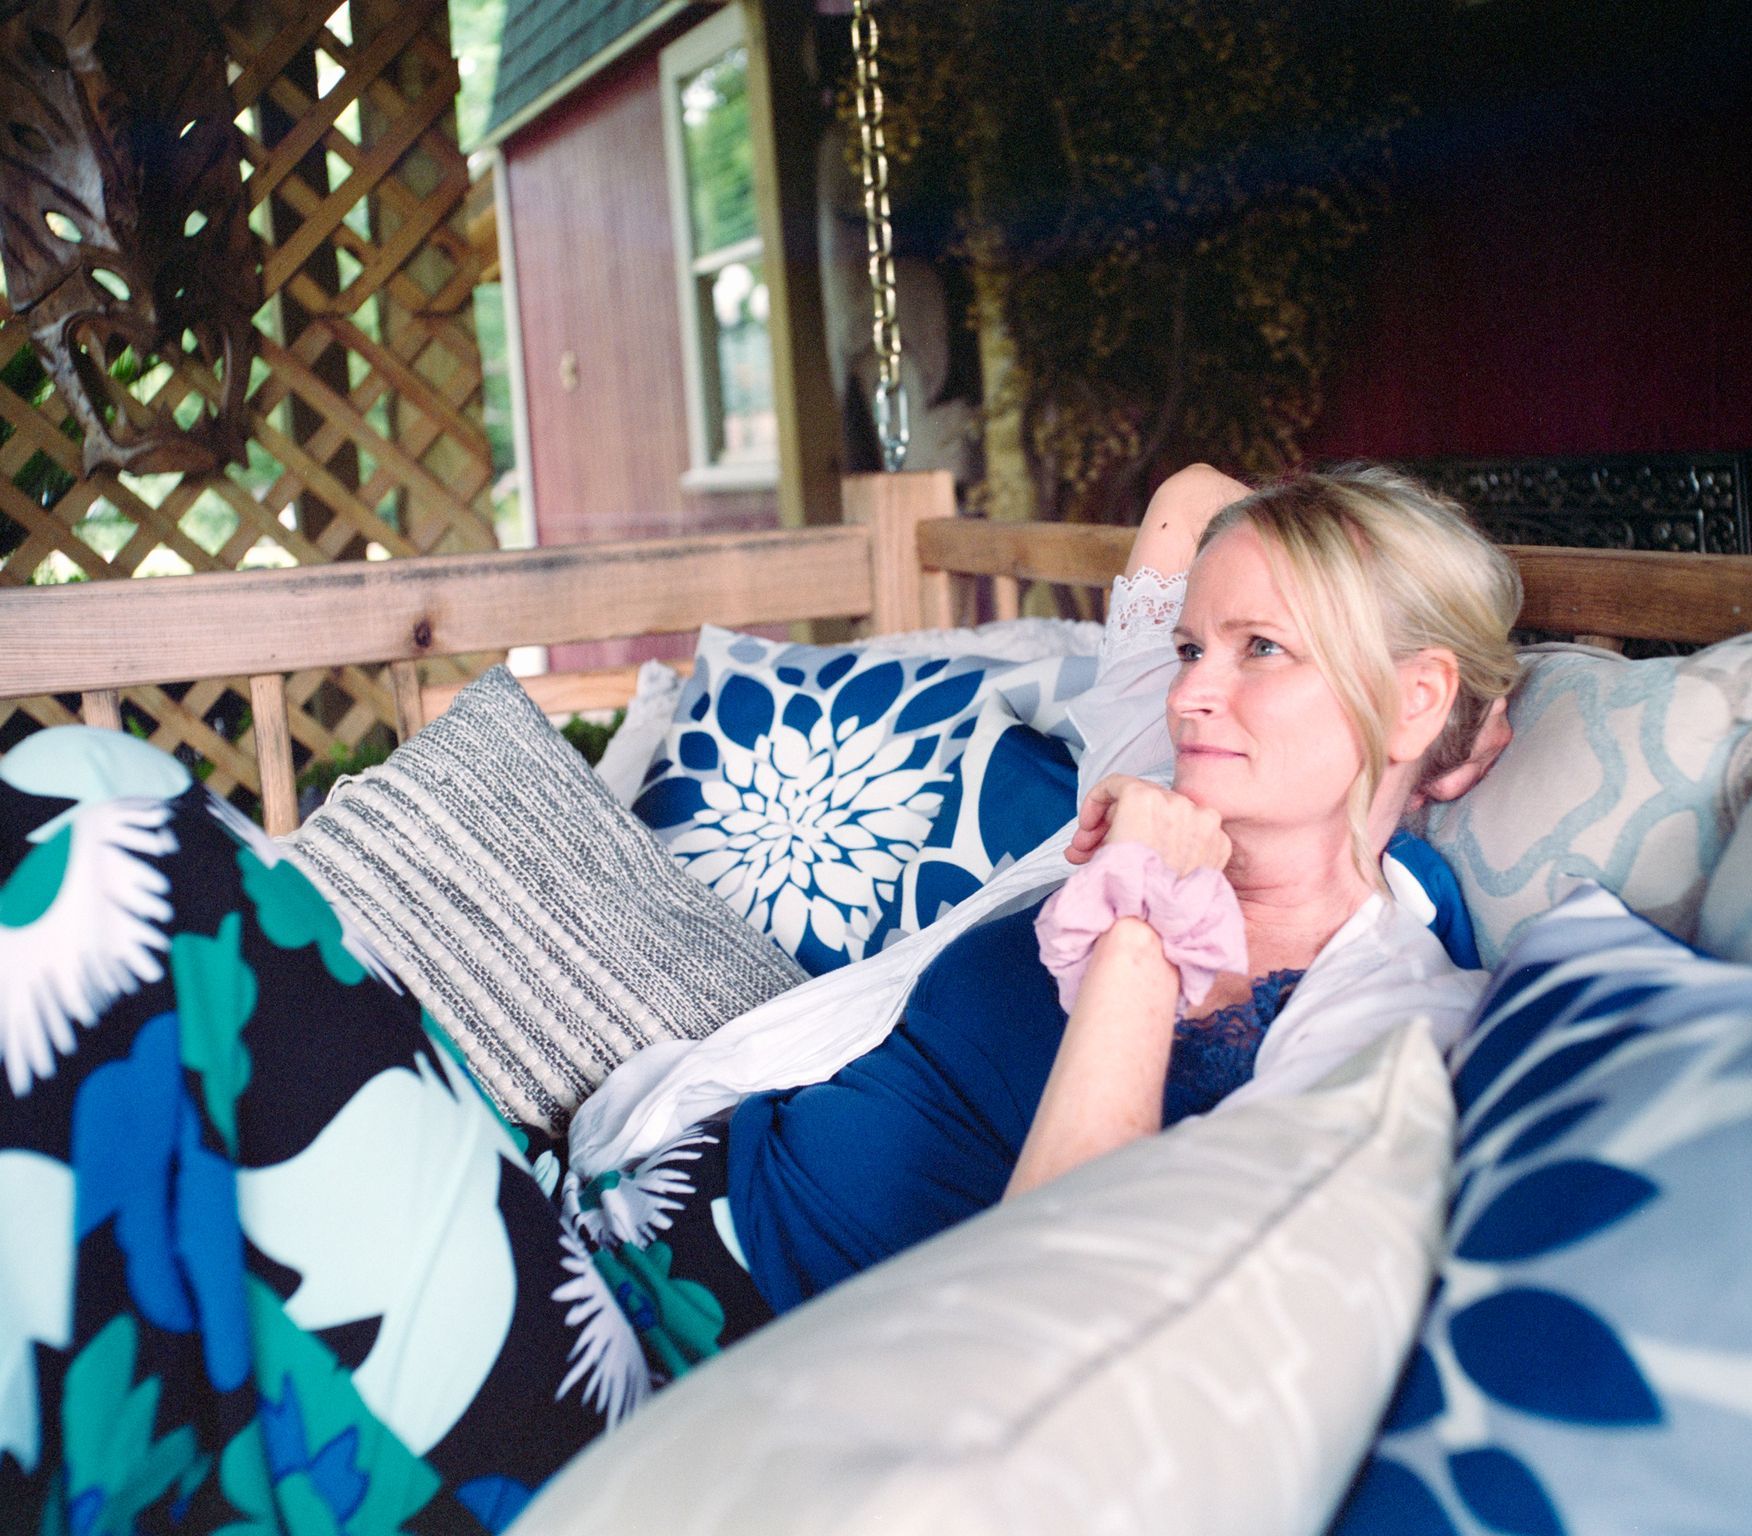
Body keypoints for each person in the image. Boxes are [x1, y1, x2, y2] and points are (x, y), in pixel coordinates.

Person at [0, 461, 1520, 1531]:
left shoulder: (1374, 1018)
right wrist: (1401, 701)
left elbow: (1078, 1308)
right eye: (1193, 646)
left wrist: (1147, 923)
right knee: (94, 938)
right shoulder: (1169, 768)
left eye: (1263, 652)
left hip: (670, 1387)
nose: (1192, 688)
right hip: (583, 1215)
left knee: (114, 832)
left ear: (1415, 695)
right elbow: (1191, 504)